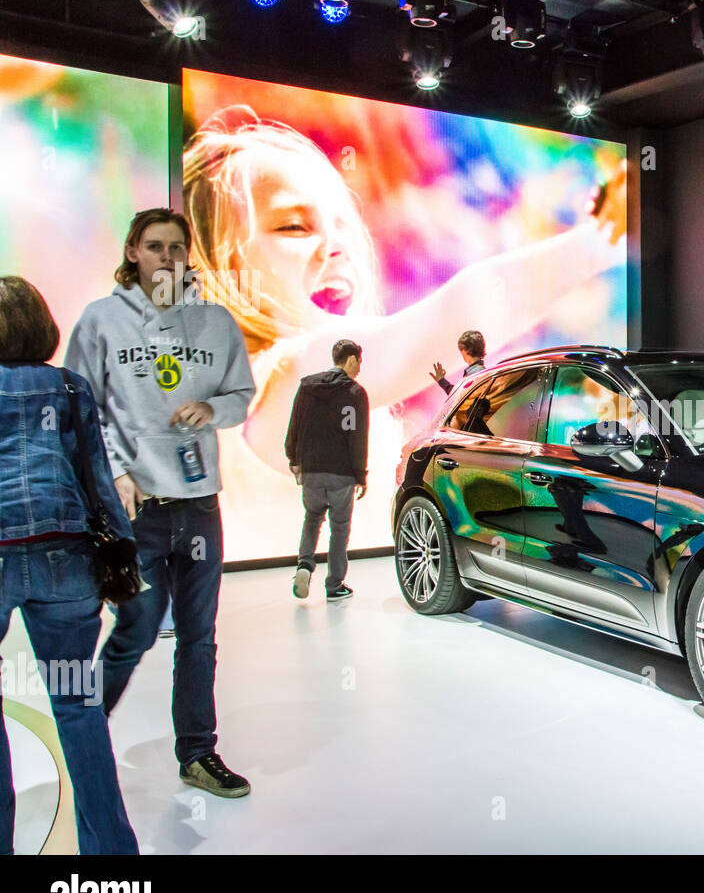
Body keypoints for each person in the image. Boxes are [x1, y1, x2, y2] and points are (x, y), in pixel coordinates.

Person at [181, 109, 625, 559]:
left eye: (340, 224)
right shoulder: (289, 370)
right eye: (294, 226)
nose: (337, 245)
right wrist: (601, 239)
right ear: (213, 265)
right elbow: (459, 313)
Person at [64, 208, 256, 798]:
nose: (167, 258)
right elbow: (78, 409)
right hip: (135, 512)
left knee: (199, 636)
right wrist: (116, 474)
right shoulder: (101, 322)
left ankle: (198, 753)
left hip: (199, 507)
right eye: (154, 246)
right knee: (137, 630)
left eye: (177, 248)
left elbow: (242, 393)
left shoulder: (216, 324)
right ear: (132, 252)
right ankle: (84, 736)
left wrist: (213, 410)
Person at [0, 276, 138, 854]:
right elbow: (99, 484)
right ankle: (111, 860)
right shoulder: (69, 388)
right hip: (68, 561)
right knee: (79, 707)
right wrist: (122, 557)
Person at [285, 339, 368, 600]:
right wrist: (360, 473)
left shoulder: (306, 387)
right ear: (352, 359)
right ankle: (334, 585)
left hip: (310, 468)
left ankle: (304, 565)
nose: (359, 369)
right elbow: (357, 436)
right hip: (341, 471)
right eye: (359, 362)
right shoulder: (355, 393)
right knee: (339, 527)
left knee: (312, 519)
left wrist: (293, 457)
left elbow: (294, 425)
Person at [430, 330, 486, 395]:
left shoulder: (475, 373)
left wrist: (441, 381)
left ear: (466, 350)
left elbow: (459, 396)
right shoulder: (480, 370)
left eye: (461, 349)